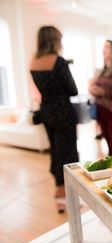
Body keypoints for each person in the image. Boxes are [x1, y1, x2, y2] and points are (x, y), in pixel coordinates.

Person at [30, 26, 79, 213]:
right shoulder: (58, 62)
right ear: (54, 40)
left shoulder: (33, 62)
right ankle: (70, 194)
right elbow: (73, 89)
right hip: (63, 113)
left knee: (56, 152)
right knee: (68, 153)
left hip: (47, 113)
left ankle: (59, 192)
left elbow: (43, 90)